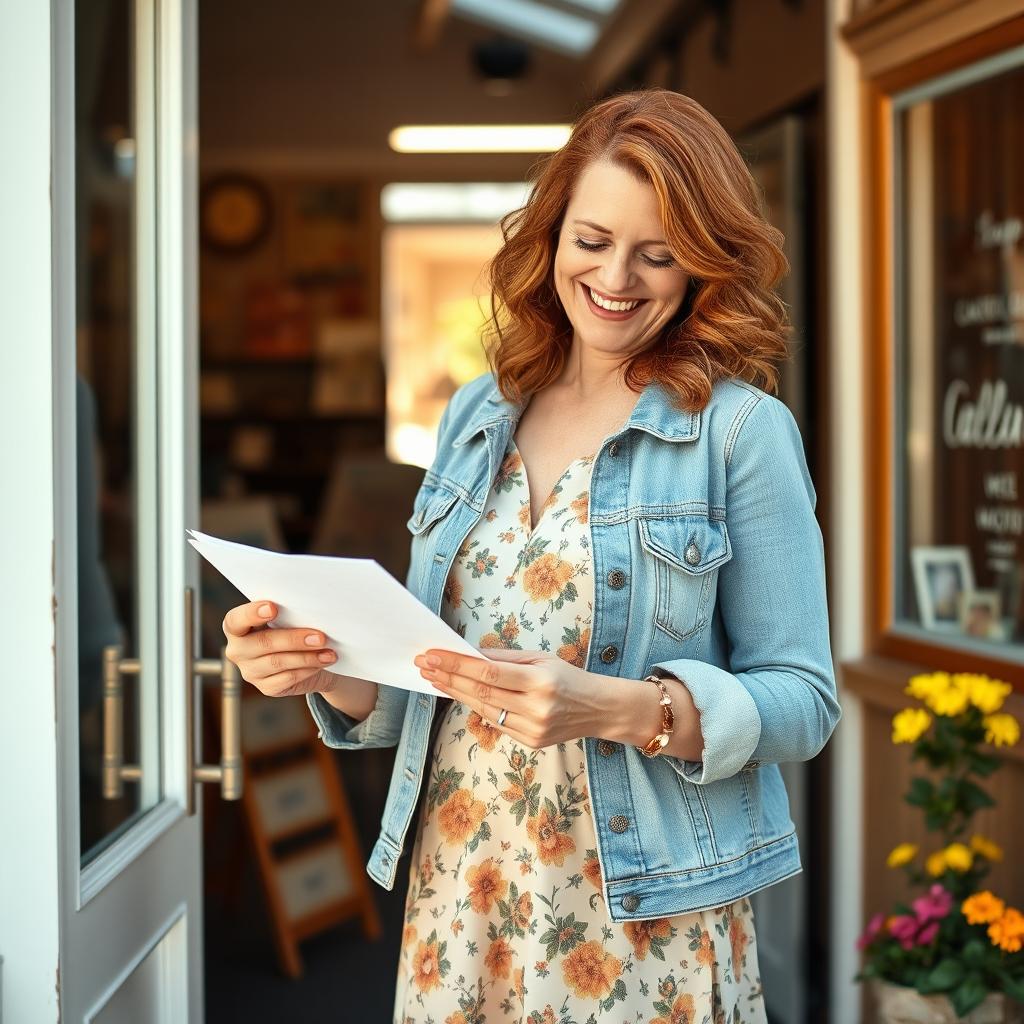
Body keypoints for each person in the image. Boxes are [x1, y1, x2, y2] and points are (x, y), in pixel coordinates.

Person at [222, 88, 841, 1023]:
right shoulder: (478, 411)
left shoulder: (740, 434)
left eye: (658, 252)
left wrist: (626, 709)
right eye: (591, 240)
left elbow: (804, 701)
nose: (616, 277)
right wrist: (321, 667)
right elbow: (422, 679)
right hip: (462, 889)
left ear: (704, 266)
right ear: (551, 235)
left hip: (644, 914)